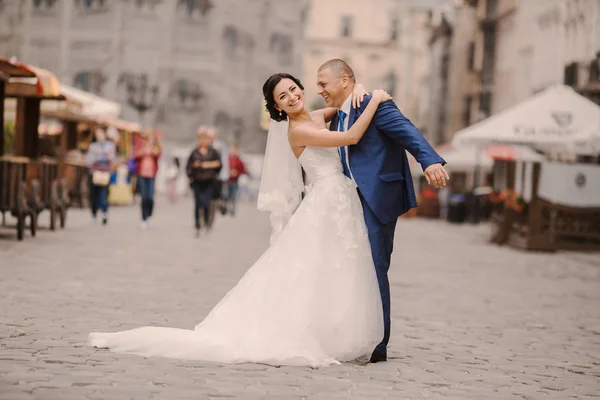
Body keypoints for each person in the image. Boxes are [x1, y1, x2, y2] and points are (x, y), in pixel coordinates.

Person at [88, 73, 393, 367]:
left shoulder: (314, 117)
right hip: (326, 199)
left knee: (333, 266)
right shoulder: (297, 130)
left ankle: (334, 329)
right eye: (282, 96)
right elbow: (352, 135)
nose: (291, 96)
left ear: (301, 87)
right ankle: (312, 330)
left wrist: (359, 88)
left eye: (293, 89)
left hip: (336, 199)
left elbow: (341, 107)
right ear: (276, 107)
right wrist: (376, 99)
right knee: (316, 266)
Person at [316, 59, 448, 362]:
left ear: (345, 80)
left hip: (378, 199)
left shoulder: (375, 107)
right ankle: (353, 332)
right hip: (346, 202)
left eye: (324, 83)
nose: (319, 89)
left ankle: (377, 343)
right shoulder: (337, 116)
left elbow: (407, 131)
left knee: (375, 268)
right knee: (352, 270)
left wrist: (430, 161)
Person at [185, 127, 221, 236]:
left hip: (209, 181)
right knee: (197, 203)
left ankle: (206, 220)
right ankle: (197, 224)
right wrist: (191, 173)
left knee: (206, 202)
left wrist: (207, 165)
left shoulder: (213, 151)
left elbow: (219, 165)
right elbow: (188, 166)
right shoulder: (194, 152)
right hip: (197, 181)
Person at [85, 128, 116, 225]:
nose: (99, 136)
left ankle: (104, 213)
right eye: (97, 134)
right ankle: (94, 214)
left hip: (105, 173)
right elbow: (89, 160)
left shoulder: (110, 145)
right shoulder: (92, 146)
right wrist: (102, 157)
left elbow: (112, 158)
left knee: (104, 195)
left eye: (100, 133)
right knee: (94, 195)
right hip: (94, 173)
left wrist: (98, 157)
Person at [135, 129, 162, 229]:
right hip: (142, 174)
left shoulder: (156, 145)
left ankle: (149, 215)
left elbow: (158, 154)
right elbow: (136, 155)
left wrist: (153, 148)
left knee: (150, 197)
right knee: (144, 196)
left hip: (152, 174)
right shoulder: (140, 144)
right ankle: (143, 218)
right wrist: (144, 149)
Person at [206, 128, 229, 219]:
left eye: (211, 136)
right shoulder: (205, 146)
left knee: (215, 196)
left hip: (217, 175)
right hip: (206, 175)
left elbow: (224, 161)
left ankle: (214, 210)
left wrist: (224, 175)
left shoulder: (220, 146)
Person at [225, 144, 248, 216]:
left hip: (235, 181)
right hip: (227, 181)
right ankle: (226, 209)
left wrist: (237, 173)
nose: (233, 151)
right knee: (226, 195)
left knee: (233, 196)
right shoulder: (227, 159)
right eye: (232, 149)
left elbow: (244, 170)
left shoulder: (239, 160)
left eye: (234, 150)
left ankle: (233, 211)